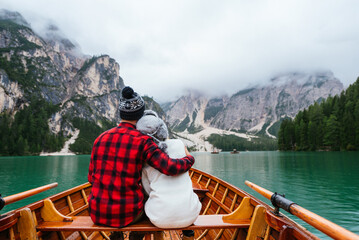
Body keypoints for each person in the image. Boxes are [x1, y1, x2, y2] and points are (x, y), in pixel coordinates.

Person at [87, 86, 195, 240]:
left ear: (121, 113)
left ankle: (115, 235)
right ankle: (135, 237)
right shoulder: (143, 141)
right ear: (141, 114)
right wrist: (189, 158)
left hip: (97, 212)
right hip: (128, 214)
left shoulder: (100, 138)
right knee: (149, 203)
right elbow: (170, 167)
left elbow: (91, 179)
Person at [137, 110, 201, 240]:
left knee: (147, 202)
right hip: (190, 215)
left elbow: (147, 190)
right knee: (189, 197)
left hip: (159, 218)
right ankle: (188, 235)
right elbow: (187, 162)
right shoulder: (179, 144)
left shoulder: (145, 156)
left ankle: (155, 236)